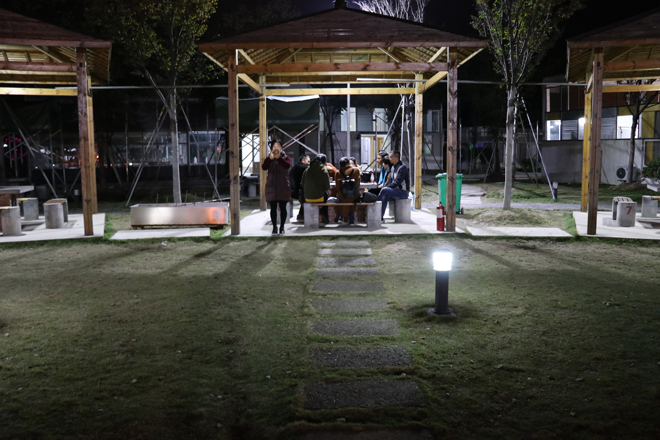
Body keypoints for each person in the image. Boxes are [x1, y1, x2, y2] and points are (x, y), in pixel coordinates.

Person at [261, 141, 291, 235]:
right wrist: (270, 159)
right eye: (274, 146)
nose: (276, 147)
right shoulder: (269, 158)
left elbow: (287, 165)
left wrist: (279, 158)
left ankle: (282, 227)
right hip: (272, 186)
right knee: (273, 208)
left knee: (283, 207)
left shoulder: (286, 158)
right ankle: (274, 227)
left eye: (278, 146)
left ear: (281, 147)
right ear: (272, 148)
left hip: (283, 186)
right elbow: (264, 167)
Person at [377, 151, 409, 220]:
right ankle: (379, 216)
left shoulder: (402, 168)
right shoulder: (393, 167)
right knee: (384, 196)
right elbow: (391, 181)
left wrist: (385, 187)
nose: (389, 159)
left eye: (391, 157)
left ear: (396, 158)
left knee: (384, 190)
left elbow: (397, 183)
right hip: (395, 191)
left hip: (402, 192)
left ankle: (377, 213)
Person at [301, 154, 331, 225]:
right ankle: (325, 217)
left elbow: (302, 184)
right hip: (319, 198)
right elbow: (327, 187)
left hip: (307, 198)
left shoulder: (307, 170)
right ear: (324, 162)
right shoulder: (324, 171)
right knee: (326, 195)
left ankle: (303, 216)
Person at [336, 156, 361, 225]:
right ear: (348, 163)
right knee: (352, 201)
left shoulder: (338, 173)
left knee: (340, 199)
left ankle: (341, 218)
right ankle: (351, 220)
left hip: (343, 196)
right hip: (354, 195)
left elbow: (337, 187)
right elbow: (358, 184)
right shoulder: (356, 170)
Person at [289, 154, 310, 221]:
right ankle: (301, 215)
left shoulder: (297, 166)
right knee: (307, 196)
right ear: (303, 160)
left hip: (294, 190)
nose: (309, 163)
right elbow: (309, 169)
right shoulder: (299, 167)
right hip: (294, 191)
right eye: (308, 161)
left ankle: (301, 214)